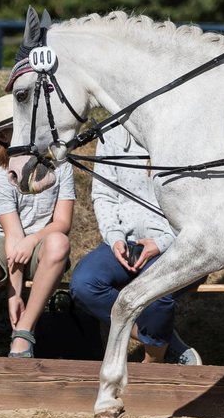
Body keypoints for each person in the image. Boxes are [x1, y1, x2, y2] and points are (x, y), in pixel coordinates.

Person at [68, 129, 201, 366]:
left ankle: (151, 361)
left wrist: (161, 242)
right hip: (124, 242)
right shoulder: (111, 133)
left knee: (158, 296)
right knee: (84, 283)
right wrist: (115, 237)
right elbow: (103, 194)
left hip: (176, 244)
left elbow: (198, 202)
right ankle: (161, 336)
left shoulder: (180, 126)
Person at [0, 94, 74, 358]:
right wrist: (13, 294)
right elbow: (12, 234)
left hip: (40, 241)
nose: (15, 138)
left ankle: (24, 332)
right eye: (7, 134)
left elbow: (63, 222)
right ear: (1, 138)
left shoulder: (61, 166)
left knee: (60, 242)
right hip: (3, 238)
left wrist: (33, 239)